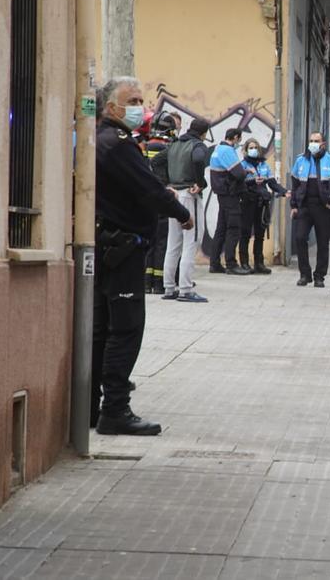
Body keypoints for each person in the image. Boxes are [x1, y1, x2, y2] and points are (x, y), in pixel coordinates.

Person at [93, 76, 194, 435]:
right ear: (112, 108)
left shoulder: (104, 140)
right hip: (122, 249)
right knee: (125, 330)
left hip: (109, 245)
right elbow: (148, 189)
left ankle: (92, 407)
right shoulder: (117, 144)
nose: (140, 106)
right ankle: (115, 410)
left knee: (102, 329)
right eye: (132, 100)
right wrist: (181, 212)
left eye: (140, 99)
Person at [161, 117, 211, 303]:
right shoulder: (198, 145)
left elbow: (158, 161)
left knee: (173, 242)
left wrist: (166, 182)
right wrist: (200, 182)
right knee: (192, 241)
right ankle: (185, 289)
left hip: (173, 194)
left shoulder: (174, 144)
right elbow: (198, 159)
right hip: (190, 194)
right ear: (204, 132)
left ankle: (168, 287)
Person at [290, 131, 330, 286]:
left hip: (323, 206)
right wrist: (294, 205)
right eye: (311, 140)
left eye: (316, 141)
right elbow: (295, 185)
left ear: (323, 143)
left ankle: (319, 276)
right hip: (305, 205)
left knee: (323, 243)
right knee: (299, 238)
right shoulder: (300, 160)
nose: (313, 143)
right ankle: (305, 274)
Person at [237, 137, 287, 273]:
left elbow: (272, 182)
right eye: (250, 148)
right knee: (245, 233)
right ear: (246, 150)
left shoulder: (263, 165)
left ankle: (259, 264)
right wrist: (253, 181)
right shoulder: (242, 165)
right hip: (247, 202)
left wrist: (284, 191)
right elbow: (239, 184)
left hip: (261, 203)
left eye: (255, 148)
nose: (253, 150)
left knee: (260, 233)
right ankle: (245, 263)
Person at [142, 113, 176, 294]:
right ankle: (158, 282)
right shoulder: (166, 148)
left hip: (147, 199)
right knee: (162, 241)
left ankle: (146, 282)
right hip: (162, 198)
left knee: (151, 241)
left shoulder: (145, 146)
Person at [209, 127, 250, 275]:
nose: (239, 142)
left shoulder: (217, 149)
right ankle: (231, 264)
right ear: (236, 137)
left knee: (221, 228)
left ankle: (214, 263)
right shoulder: (227, 151)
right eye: (239, 139)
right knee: (234, 228)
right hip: (229, 193)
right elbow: (238, 173)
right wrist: (246, 172)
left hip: (222, 193)